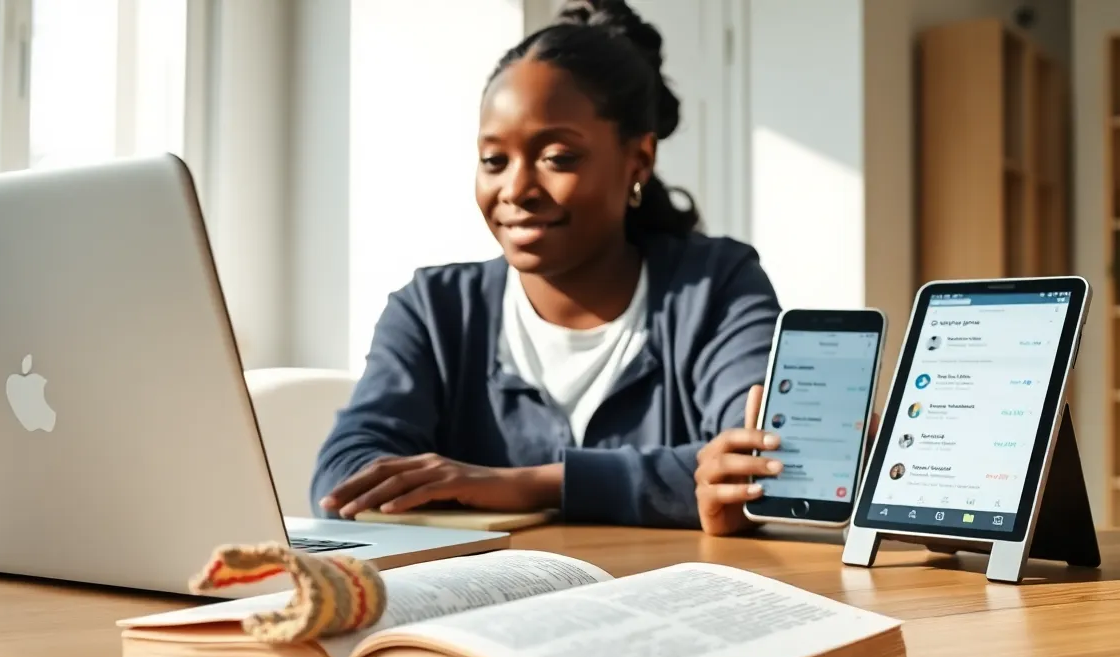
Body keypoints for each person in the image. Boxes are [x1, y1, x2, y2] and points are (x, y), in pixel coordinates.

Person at [311, 0, 784, 535]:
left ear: (639, 161)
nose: (515, 190)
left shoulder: (715, 286)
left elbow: (761, 461)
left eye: (557, 158)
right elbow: (345, 476)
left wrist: (521, 485)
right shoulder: (434, 309)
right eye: (494, 161)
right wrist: (670, 481)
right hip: (492, 608)